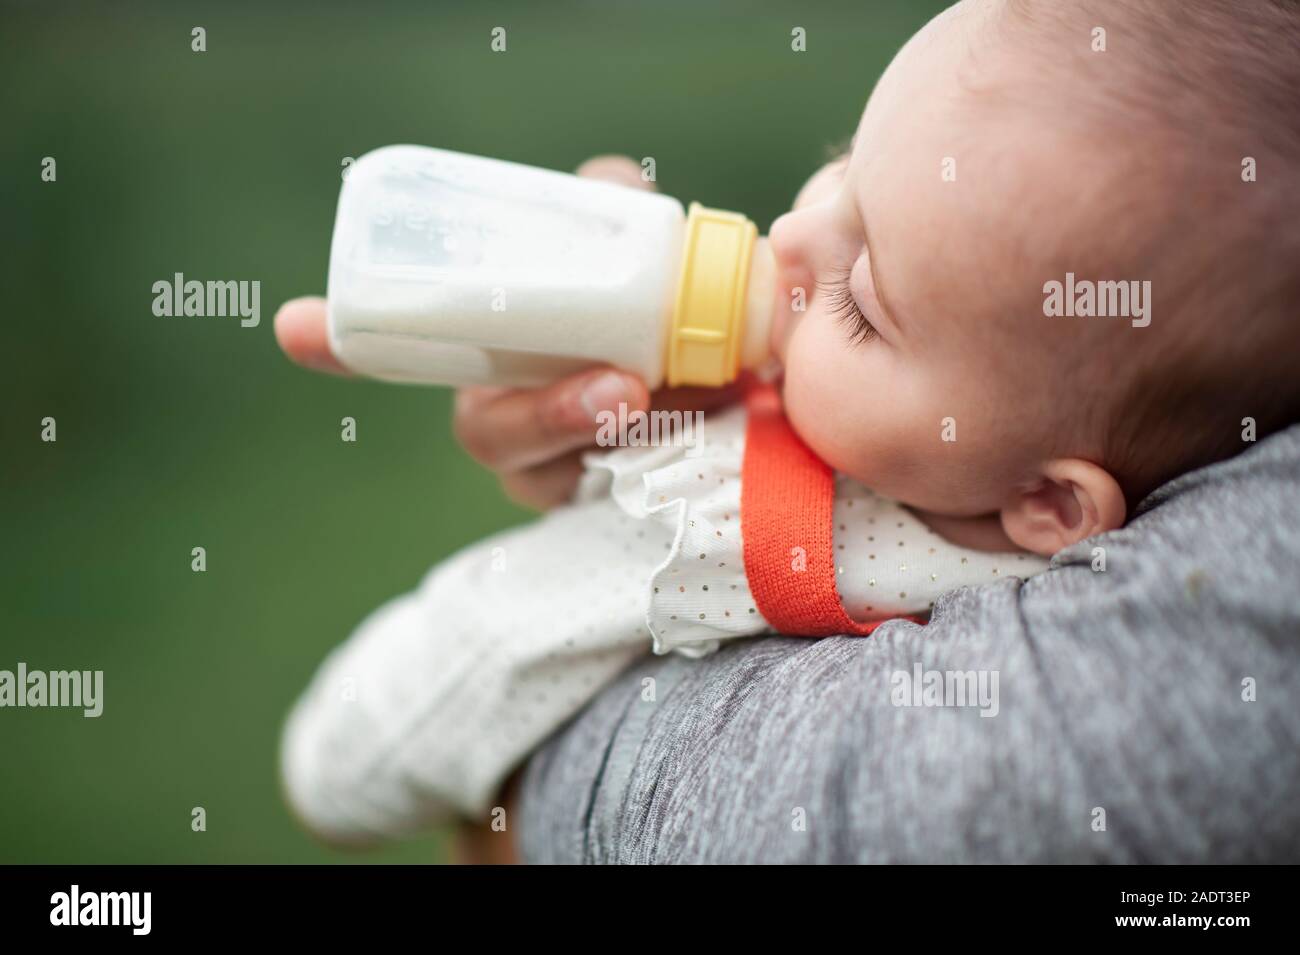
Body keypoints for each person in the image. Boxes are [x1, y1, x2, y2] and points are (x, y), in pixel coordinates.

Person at [275, 0, 1300, 859]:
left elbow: (479, 651)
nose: (796, 234)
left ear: (1044, 503)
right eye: (846, 164)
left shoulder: (761, 533)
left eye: (858, 298)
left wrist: (331, 765)